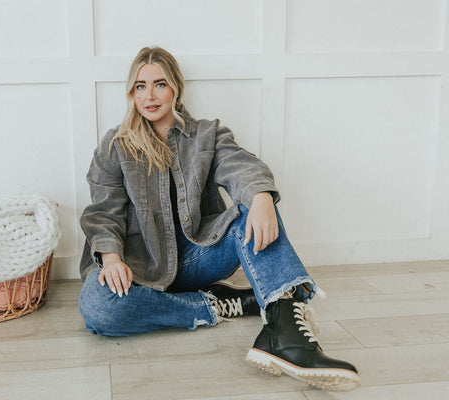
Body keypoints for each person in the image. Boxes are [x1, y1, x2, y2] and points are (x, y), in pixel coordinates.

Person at [78, 46, 360, 392]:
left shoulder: (207, 134)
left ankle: (285, 329)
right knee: (98, 307)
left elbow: (242, 166)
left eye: (159, 84)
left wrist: (260, 196)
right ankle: (221, 304)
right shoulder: (115, 145)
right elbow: (103, 211)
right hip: (139, 267)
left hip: (198, 257)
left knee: (255, 206)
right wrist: (111, 258)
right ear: (131, 93)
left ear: (176, 88)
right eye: (140, 86)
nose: (149, 95)